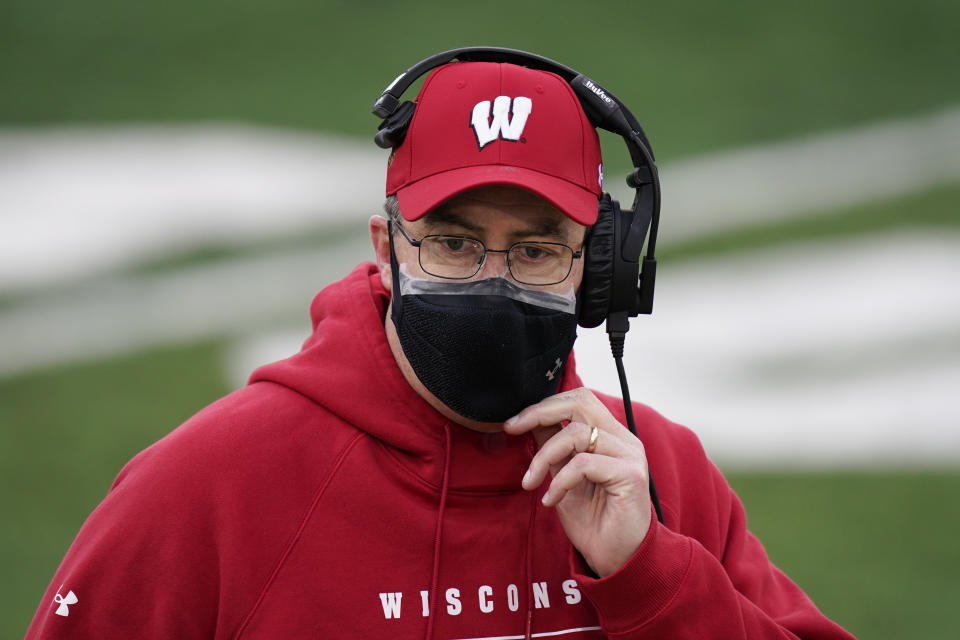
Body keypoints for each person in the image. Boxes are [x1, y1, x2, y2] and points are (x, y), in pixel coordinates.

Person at [26, 50, 855, 639]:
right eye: (454, 244)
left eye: (536, 250)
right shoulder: (206, 490)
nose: (493, 279)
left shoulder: (660, 478)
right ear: (386, 250)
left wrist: (651, 578)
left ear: (599, 273)